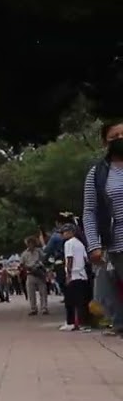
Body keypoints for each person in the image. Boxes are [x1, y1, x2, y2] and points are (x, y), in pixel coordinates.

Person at [84, 119, 123, 335]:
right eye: (114, 137)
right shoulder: (97, 174)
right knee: (110, 297)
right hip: (116, 247)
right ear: (105, 143)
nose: (120, 140)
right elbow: (89, 212)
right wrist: (93, 245)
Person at [19, 236, 49, 315]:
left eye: (32, 243)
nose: (31, 245)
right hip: (30, 274)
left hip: (39, 273)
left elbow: (45, 259)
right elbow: (21, 264)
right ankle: (33, 308)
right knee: (31, 293)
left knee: (43, 292)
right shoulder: (24, 254)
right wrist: (27, 267)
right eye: (29, 243)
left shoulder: (39, 251)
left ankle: (44, 308)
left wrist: (41, 265)